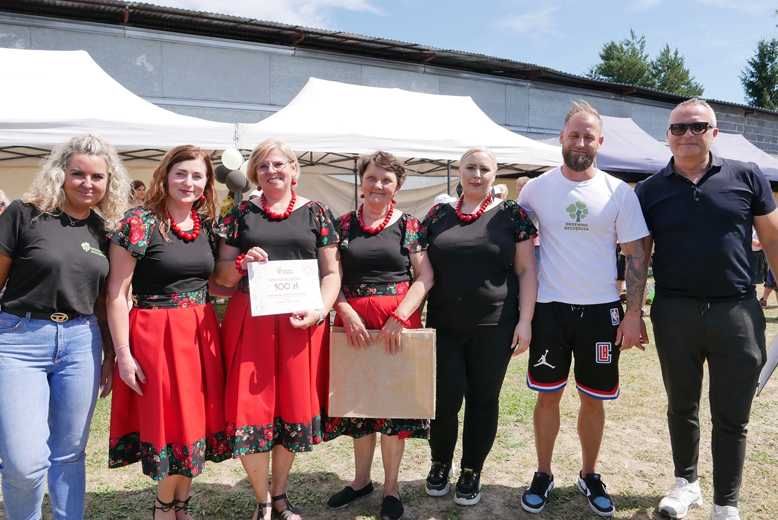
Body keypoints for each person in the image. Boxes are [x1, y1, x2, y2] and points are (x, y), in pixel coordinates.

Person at [635, 98, 778, 520]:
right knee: (682, 405)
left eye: (697, 126)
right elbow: (639, 256)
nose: (687, 135)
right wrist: (633, 311)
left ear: (713, 131)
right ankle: (686, 485)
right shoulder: (650, 189)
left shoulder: (746, 176)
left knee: (732, 414)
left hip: (736, 311)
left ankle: (725, 504)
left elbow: (771, 241)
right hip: (674, 311)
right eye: (678, 129)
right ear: (668, 136)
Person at [517, 101, 649, 517]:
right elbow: (517, 249)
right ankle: (543, 472)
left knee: (594, 399)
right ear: (561, 138)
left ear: (600, 142)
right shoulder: (535, 189)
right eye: (574, 134)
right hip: (550, 310)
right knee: (547, 398)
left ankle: (589, 473)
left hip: (601, 313)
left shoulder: (618, 192)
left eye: (588, 136)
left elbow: (636, 255)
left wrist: (633, 313)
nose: (580, 142)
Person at [0, 134, 130, 520]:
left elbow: (106, 299)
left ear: (109, 182)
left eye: (97, 177)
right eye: (78, 174)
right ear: (61, 174)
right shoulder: (24, 214)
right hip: (19, 340)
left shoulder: (106, 231)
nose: (87, 183)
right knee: (24, 461)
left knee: (69, 452)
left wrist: (108, 352)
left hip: (80, 342)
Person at [215, 139, 340, 520]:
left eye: (279, 165)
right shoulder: (239, 214)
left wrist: (319, 311)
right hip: (250, 322)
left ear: (293, 169)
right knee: (252, 408)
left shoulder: (318, 212)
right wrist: (239, 263)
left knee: (291, 409)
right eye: (264, 166)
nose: (272, 172)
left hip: (300, 324)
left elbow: (332, 273)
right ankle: (262, 500)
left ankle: (281, 493)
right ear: (255, 173)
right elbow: (219, 274)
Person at [106, 145, 231, 519]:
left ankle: (181, 505)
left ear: (207, 182)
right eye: (181, 173)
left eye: (197, 175)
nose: (188, 182)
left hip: (200, 331)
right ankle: (163, 507)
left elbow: (213, 283)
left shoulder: (207, 226)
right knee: (170, 422)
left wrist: (251, 271)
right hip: (156, 334)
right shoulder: (138, 223)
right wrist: (123, 352)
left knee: (195, 419)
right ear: (165, 175)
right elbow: (117, 292)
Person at [421, 146, 537, 506]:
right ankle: (440, 463)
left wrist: (526, 321)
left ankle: (472, 469)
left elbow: (526, 270)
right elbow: (417, 266)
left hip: (495, 326)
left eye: (484, 169)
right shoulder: (437, 214)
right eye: (470, 167)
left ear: (494, 174)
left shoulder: (512, 215)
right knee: (443, 401)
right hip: (444, 324)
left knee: (484, 400)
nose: (476, 174)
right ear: (459, 172)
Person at [323, 151, 434, 520]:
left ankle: (391, 487)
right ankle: (360, 481)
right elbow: (330, 277)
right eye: (372, 178)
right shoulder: (340, 225)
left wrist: (401, 315)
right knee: (360, 404)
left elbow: (425, 277)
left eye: (386, 180)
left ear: (397, 186)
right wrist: (344, 308)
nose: (378, 185)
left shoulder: (410, 225)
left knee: (393, 408)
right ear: (361, 180)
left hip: (395, 330)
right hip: (353, 328)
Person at [516, 176, 540, 272]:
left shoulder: (538, 203)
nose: (519, 192)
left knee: (536, 270)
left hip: (536, 243)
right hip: (520, 243)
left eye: (521, 190)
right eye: (517, 190)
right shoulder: (515, 204)